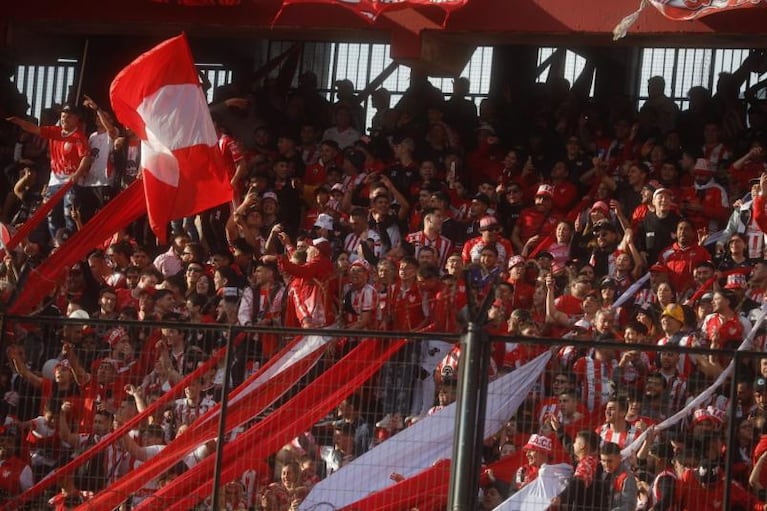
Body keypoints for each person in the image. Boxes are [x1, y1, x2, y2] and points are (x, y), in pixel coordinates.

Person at [7, 104, 92, 239]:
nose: (64, 119)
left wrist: (77, 173)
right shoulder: (55, 131)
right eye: (63, 116)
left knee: (69, 213)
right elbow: (35, 129)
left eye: (69, 117)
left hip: (71, 180)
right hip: (55, 179)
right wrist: (20, 122)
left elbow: (86, 158)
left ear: (77, 119)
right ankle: (56, 242)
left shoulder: (79, 137)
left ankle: (69, 240)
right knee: (50, 212)